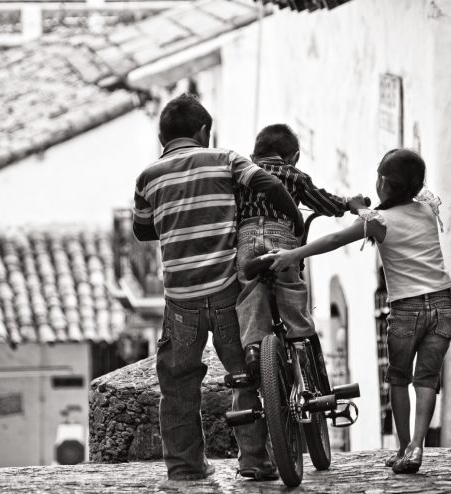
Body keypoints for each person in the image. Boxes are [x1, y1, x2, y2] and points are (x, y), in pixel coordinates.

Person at [132, 95, 304, 481]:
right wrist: (294, 220)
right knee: (246, 374)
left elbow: (142, 230)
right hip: (229, 292)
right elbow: (268, 182)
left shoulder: (148, 177)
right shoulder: (223, 158)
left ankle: (185, 467)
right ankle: (255, 461)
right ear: (203, 132)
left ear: (163, 136)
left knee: (177, 385)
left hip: (181, 301)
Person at [265, 148, 451, 475]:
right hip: (442, 302)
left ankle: (401, 447)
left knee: (398, 378)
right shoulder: (427, 208)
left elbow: (335, 239)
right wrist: (364, 207)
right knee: (427, 379)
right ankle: (417, 446)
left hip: (407, 307)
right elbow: (415, 188)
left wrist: (291, 254)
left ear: (382, 182)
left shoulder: (379, 222)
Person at [235, 123, 367, 380]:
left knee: (250, 290)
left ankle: (253, 348)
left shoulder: (244, 173)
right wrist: (347, 204)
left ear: (254, 155)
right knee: (291, 287)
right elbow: (322, 201)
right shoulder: (295, 176)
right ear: (293, 157)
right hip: (280, 235)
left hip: (247, 237)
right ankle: (300, 340)